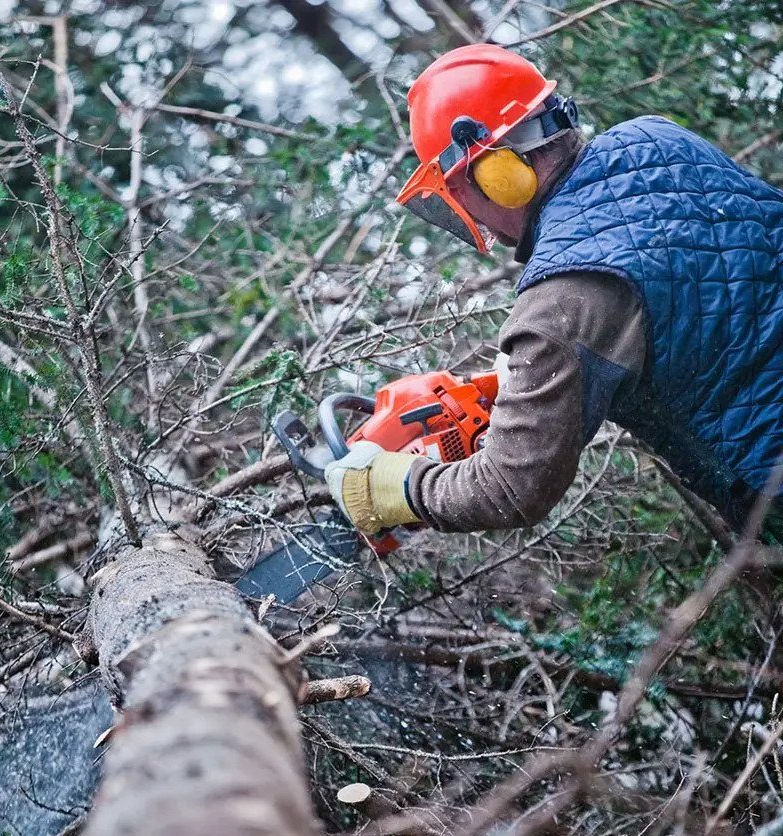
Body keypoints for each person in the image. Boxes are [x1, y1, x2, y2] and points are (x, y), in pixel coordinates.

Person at [325, 44, 783, 543]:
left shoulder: (560, 304)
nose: (473, 217)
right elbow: (704, 293)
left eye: (461, 193)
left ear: (498, 174)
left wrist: (405, 488)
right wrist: (531, 378)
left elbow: (510, 488)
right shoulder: (655, 137)